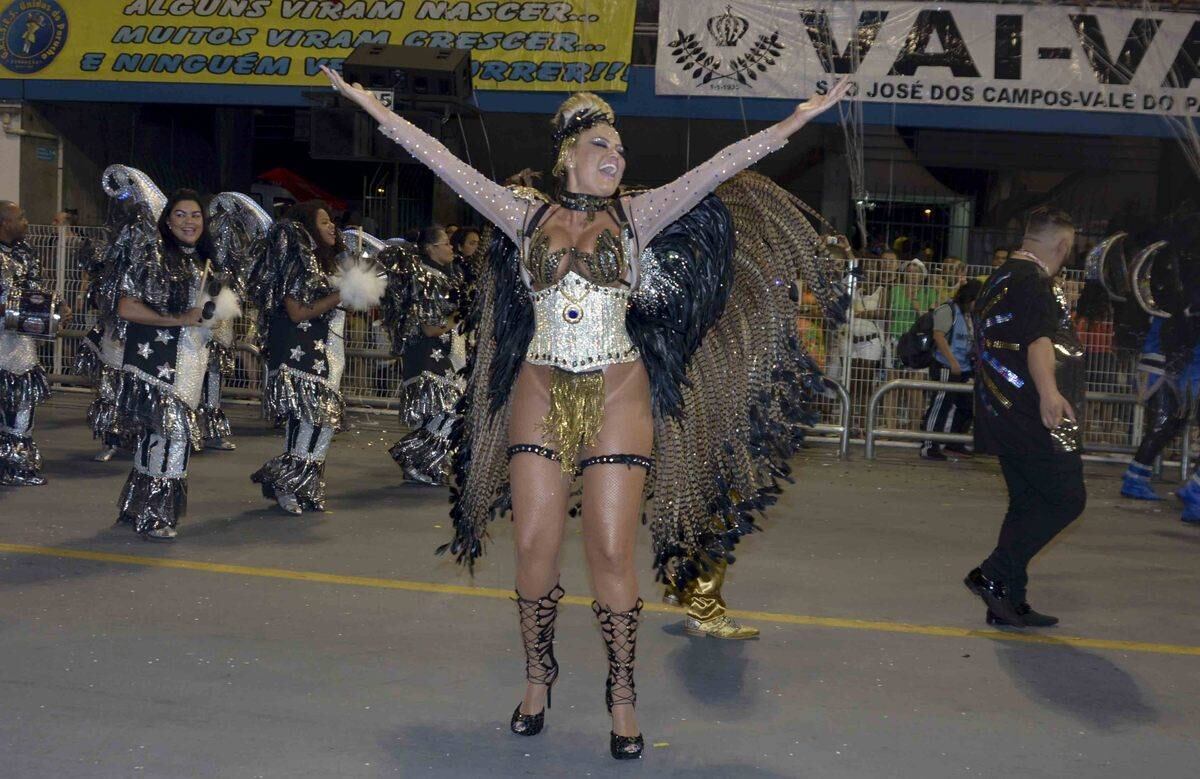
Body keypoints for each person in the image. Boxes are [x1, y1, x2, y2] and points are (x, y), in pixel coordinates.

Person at [326, 65, 850, 759]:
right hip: (541, 389)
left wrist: (798, 119)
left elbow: (724, 164)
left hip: (616, 393)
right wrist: (372, 107)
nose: (617, 157)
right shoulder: (523, 215)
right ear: (568, 153)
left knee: (609, 549)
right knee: (535, 548)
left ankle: (622, 692)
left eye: (622, 150)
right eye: (604, 144)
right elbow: (441, 160)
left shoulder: (638, 214)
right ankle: (537, 675)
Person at [965, 207, 1086, 628]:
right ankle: (992, 573)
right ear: (1064, 245)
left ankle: (1008, 601)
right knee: (1067, 498)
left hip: (999, 408)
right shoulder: (1035, 281)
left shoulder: (998, 277)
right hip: (1032, 411)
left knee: (1027, 502)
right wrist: (1050, 394)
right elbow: (1038, 342)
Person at [107, 189, 216, 539]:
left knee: (158, 439)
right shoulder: (155, 257)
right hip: (159, 364)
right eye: (180, 214)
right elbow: (126, 307)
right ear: (167, 221)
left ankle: (139, 508)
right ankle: (155, 515)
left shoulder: (204, 262)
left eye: (195, 215)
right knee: (172, 438)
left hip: (190, 364)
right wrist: (180, 318)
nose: (189, 221)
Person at [248, 200, 348, 516]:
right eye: (324, 221)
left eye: (332, 220)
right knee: (308, 420)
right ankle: (288, 484)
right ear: (307, 229)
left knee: (323, 424)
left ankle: (303, 485)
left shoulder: (329, 264)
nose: (332, 226)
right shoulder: (299, 262)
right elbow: (296, 311)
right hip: (303, 351)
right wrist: (342, 293)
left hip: (330, 353)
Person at [383, 226, 466, 485]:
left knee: (442, 413)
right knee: (452, 409)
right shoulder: (428, 277)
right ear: (430, 248)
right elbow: (431, 327)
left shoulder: (439, 275)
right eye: (446, 243)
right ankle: (412, 457)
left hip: (438, 354)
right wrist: (462, 313)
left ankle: (423, 466)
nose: (452, 248)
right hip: (429, 353)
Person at [0, 201, 63, 486]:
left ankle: (16, 467)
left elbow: (36, 291)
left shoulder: (25, 252)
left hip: (20, 346)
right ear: (5, 223)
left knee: (22, 407)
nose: (26, 222)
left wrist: (55, 308)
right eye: (21, 217)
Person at [919, 279, 981, 460]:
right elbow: (938, 336)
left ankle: (954, 442)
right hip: (946, 365)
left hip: (964, 367)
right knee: (940, 405)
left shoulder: (969, 315)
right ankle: (929, 446)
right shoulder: (948, 310)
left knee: (967, 406)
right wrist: (952, 361)